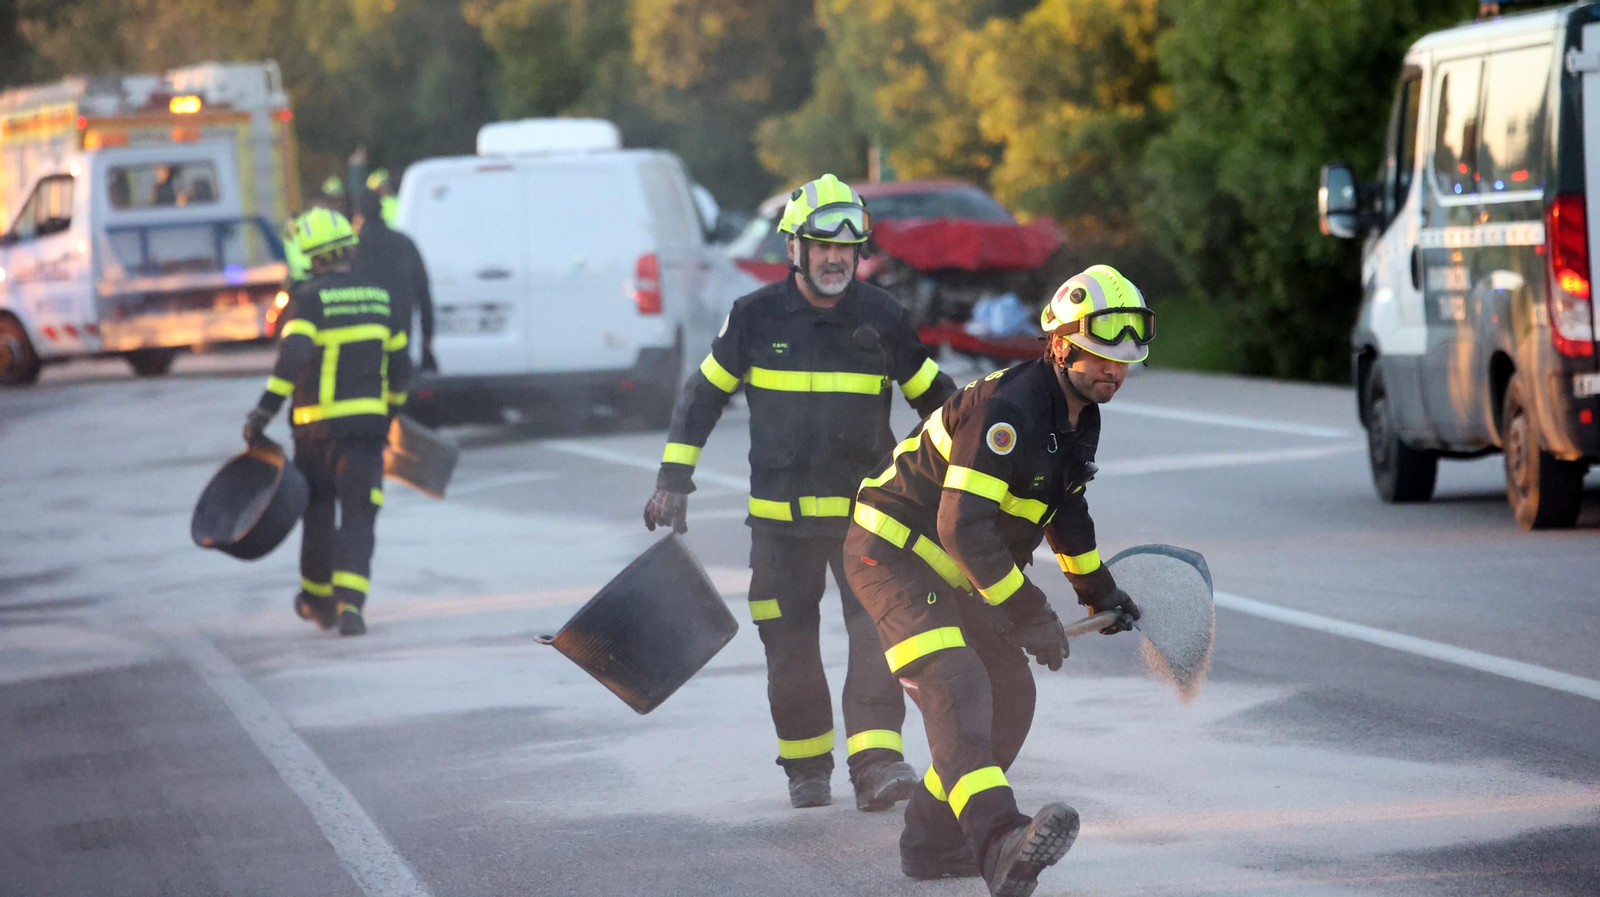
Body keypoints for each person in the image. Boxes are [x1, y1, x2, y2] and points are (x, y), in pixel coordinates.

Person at [644, 174, 958, 811]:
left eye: (849, 247)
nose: (838, 257)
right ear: (796, 250)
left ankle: (877, 765)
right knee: (789, 649)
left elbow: (941, 406)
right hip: (779, 531)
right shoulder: (755, 319)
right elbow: (702, 395)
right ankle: (806, 768)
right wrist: (673, 480)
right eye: (823, 245)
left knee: (877, 636)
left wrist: (979, 473)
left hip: (868, 523)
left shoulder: (883, 317)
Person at [842, 265, 1152, 895]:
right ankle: (1000, 838)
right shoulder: (1006, 410)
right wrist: (1029, 611)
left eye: (1123, 363)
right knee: (955, 683)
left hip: (960, 575)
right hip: (892, 556)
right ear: (1060, 345)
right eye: (1099, 357)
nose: (1113, 372)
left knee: (1011, 696)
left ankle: (932, 839)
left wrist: (1097, 591)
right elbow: (963, 529)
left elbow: (1064, 509)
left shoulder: (1080, 413)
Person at [244, 209, 412, 638]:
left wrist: (262, 413)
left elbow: (292, 358)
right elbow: (400, 366)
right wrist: (389, 412)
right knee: (359, 514)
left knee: (317, 512)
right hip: (366, 431)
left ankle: (318, 602)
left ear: (311, 256)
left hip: (316, 432)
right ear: (347, 249)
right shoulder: (380, 297)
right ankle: (352, 604)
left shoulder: (309, 300)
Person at [353, 188, 436, 372]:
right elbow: (424, 294)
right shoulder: (405, 244)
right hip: (400, 333)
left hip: (362, 340)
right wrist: (427, 339)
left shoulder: (353, 251)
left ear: (359, 216)